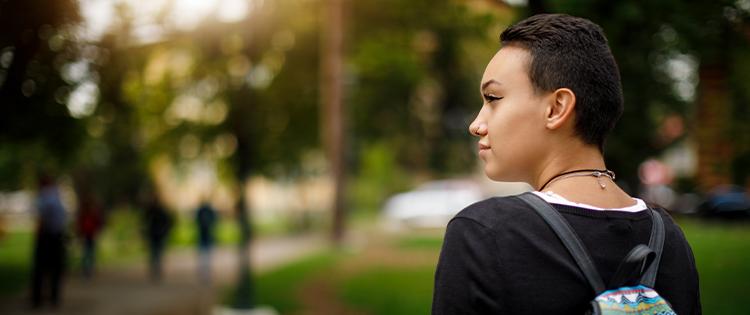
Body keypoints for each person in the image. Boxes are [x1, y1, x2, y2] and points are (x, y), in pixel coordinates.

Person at [431, 14, 701, 314]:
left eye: (493, 98)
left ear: (556, 108)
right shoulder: (669, 240)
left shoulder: (484, 232)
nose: (476, 125)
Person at [30, 175, 68, 309]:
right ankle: (54, 297)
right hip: (56, 235)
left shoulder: (44, 196)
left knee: (40, 269)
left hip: (46, 236)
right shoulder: (57, 196)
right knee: (55, 268)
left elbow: (41, 218)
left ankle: (37, 299)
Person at [142, 193, 173, 282]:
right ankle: (156, 270)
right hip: (155, 235)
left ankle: (156, 270)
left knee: (156, 253)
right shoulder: (151, 211)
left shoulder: (156, 211)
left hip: (158, 235)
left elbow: (168, 222)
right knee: (156, 253)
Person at [76, 191, 103, 278]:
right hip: (89, 233)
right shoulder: (91, 211)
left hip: (88, 233)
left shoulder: (86, 211)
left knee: (87, 252)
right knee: (89, 252)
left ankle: (87, 269)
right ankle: (88, 269)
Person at [195, 200, 217, 284]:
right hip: (205, 236)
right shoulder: (207, 211)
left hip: (205, 236)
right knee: (205, 255)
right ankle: (205, 272)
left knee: (205, 255)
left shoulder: (202, 211)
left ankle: (205, 272)